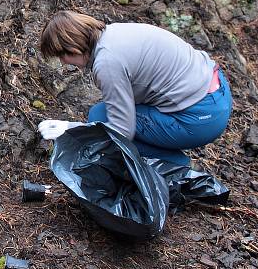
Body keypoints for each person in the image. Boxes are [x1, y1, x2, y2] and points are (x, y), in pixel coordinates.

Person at [36, 10, 232, 165]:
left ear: (73, 49)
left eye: (62, 57)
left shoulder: (107, 62)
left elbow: (122, 131)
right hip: (217, 91)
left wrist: (71, 129)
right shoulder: (113, 33)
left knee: (99, 117)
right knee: (102, 113)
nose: (63, 63)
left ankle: (177, 166)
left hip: (201, 117)